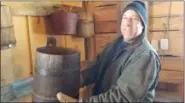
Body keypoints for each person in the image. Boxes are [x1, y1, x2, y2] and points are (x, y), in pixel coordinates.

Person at [57, 1, 161, 102]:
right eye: (125, 18)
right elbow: (97, 66)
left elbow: (123, 97)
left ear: (143, 26)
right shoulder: (116, 44)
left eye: (134, 19)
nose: (128, 23)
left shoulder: (145, 56)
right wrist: (78, 79)